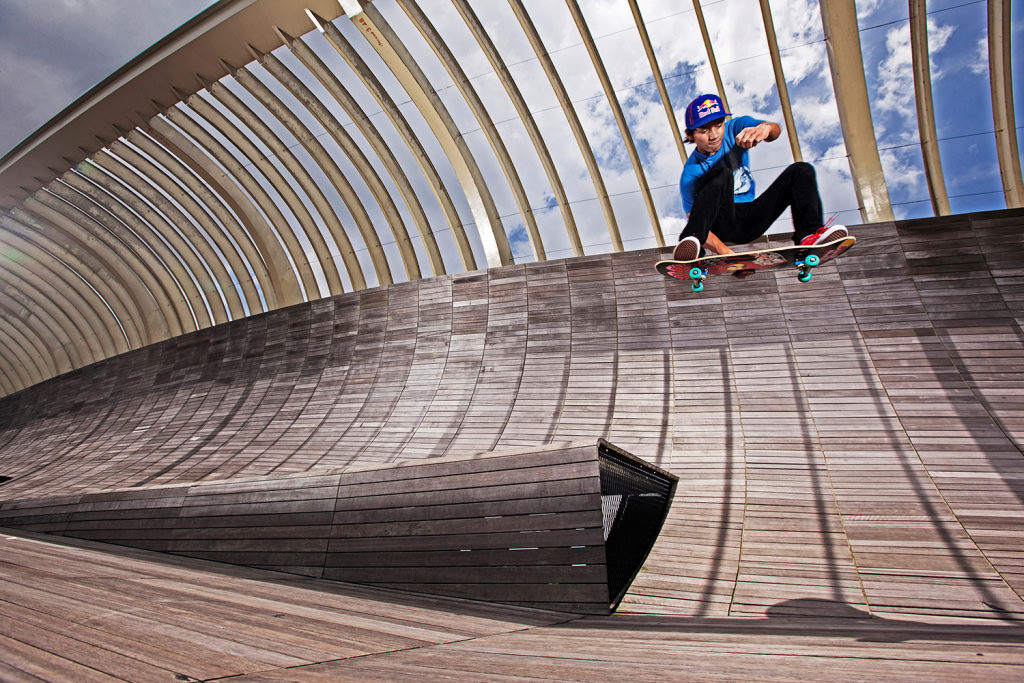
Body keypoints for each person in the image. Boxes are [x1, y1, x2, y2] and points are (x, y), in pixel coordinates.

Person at [672, 93, 847, 262]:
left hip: (751, 218)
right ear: (690, 135)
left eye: (718, 126)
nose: (714, 135)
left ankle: (808, 237)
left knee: (801, 170)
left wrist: (765, 129)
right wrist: (728, 254)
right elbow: (694, 216)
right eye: (704, 131)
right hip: (723, 222)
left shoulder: (735, 127)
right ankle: (692, 238)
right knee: (722, 173)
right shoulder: (690, 174)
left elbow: (774, 131)